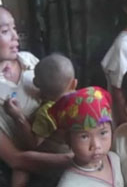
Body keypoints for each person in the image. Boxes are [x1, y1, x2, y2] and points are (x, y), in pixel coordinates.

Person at [0, 6, 72, 187]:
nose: (16, 36)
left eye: (14, 28)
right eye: (5, 31)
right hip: (32, 161)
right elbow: (16, 159)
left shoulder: (30, 61)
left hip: (64, 145)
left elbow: (56, 90)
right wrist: (75, 160)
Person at [4, 53, 77, 186]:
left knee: (20, 169)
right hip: (76, 153)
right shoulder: (79, 101)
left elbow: (34, 143)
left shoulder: (46, 113)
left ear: (37, 86)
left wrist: (17, 116)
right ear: (74, 83)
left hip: (50, 162)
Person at [48, 86, 124, 187]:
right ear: (68, 139)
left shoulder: (114, 159)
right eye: (84, 137)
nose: (96, 145)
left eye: (103, 133)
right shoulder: (70, 184)